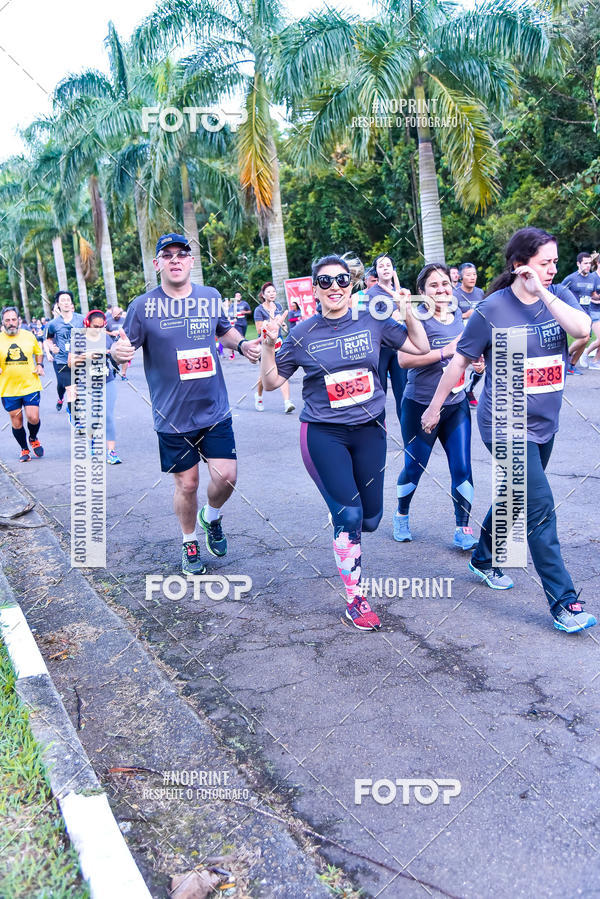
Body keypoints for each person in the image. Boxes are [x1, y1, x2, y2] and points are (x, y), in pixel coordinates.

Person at [422, 227, 596, 634]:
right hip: (505, 424)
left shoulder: (559, 296)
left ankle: (484, 557)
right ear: (520, 266)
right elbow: (459, 363)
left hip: (543, 423)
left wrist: (545, 293)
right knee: (539, 509)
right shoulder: (491, 310)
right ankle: (564, 603)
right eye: (544, 263)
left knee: (516, 499)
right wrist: (433, 407)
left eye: (555, 262)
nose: (553, 269)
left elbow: (583, 329)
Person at [260, 254, 429, 631]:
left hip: (370, 431)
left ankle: (346, 527)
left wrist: (407, 311)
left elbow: (418, 347)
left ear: (351, 284)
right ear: (315, 289)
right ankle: (356, 599)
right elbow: (271, 383)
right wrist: (270, 346)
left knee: (370, 520)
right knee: (349, 515)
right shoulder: (303, 332)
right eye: (325, 281)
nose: (334, 287)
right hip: (324, 433)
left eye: (340, 280)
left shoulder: (374, 321)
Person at [111, 232, 261, 575]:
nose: (175, 260)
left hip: (215, 408)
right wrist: (115, 352)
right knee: (187, 483)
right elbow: (123, 346)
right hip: (173, 416)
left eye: (182, 254)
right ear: (158, 264)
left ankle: (212, 516)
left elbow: (225, 330)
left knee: (227, 476)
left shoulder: (210, 297)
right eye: (168, 255)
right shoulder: (143, 307)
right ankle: (189, 540)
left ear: (192, 261)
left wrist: (244, 346)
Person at [394, 263, 483, 549]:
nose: (441, 289)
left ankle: (463, 528)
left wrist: (475, 361)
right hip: (420, 404)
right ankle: (401, 514)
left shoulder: (458, 314)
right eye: (434, 285)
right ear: (422, 291)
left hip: (456, 404)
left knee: (462, 467)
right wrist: (444, 351)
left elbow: (465, 353)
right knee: (414, 467)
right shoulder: (416, 319)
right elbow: (403, 361)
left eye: (445, 283)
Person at [68, 309, 122, 464]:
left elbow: (116, 358)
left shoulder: (106, 338)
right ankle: (92, 440)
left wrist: (116, 356)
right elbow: (70, 363)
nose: (98, 329)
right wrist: (86, 356)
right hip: (87, 384)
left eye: (101, 326)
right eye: (95, 326)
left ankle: (111, 452)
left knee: (108, 416)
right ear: (87, 324)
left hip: (107, 380)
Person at [366, 253, 410, 423]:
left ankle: (408, 433)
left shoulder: (400, 291)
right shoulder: (372, 294)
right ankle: (378, 433)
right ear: (376, 272)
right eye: (381, 266)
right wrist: (392, 315)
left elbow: (408, 318)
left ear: (393, 270)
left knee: (403, 394)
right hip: (380, 349)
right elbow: (371, 321)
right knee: (379, 394)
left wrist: (404, 310)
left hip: (399, 349)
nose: (385, 268)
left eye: (388, 265)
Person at [0, 306, 45, 461]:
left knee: (33, 417)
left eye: (13, 319)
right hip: (8, 389)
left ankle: (33, 437)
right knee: (17, 421)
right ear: (3, 322)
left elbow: (38, 352)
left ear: (18, 320)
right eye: (7, 320)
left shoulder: (28, 336)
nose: (11, 323)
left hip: (30, 385)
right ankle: (24, 449)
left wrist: (40, 365)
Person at [253, 282, 295, 414]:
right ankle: (259, 396)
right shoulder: (259, 310)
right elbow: (259, 329)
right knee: (264, 375)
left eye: (273, 291)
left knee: (282, 371)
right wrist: (269, 323)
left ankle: (287, 402)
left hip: (279, 344)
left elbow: (282, 324)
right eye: (269, 292)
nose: (272, 294)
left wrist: (283, 326)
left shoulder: (278, 306)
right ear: (263, 294)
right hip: (265, 346)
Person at [45, 291, 85, 419]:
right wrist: (52, 348)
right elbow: (48, 339)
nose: (66, 302)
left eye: (68, 300)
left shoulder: (82, 319)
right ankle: (76, 419)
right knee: (71, 390)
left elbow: (92, 335)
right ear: (58, 304)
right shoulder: (53, 324)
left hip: (79, 360)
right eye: (63, 300)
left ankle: (73, 410)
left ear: (72, 302)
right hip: (62, 361)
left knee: (78, 390)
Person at [562, 252, 600, 372]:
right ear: (578, 264)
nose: (588, 266)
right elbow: (559, 293)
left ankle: (571, 365)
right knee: (584, 338)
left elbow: (593, 295)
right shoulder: (571, 278)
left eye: (589, 263)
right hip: (574, 313)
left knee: (586, 339)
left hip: (586, 314)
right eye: (585, 263)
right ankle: (565, 357)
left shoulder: (592, 279)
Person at [453, 263, 485, 406]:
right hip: (460, 336)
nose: (472, 277)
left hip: (478, 334)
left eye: (474, 274)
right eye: (468, 275)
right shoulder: (455, 294)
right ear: (460, 277)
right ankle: (455, 394)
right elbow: (450, 319)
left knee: (480, 367)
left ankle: (469, 389)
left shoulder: (480, 292)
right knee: (458, 366)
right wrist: (467, 315)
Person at [105, 306, 130, 379]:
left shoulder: (124, 320)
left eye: (119, 314)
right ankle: (115, 368)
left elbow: (129, 330)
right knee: (115, 360)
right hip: (112, 344)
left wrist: (122, 333)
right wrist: (111, 333)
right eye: (116, 314)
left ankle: (123, 374)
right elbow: (103, 331)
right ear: (112, 313)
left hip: (122, 343)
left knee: (125, 358)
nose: (118, 315)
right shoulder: (108, 321)